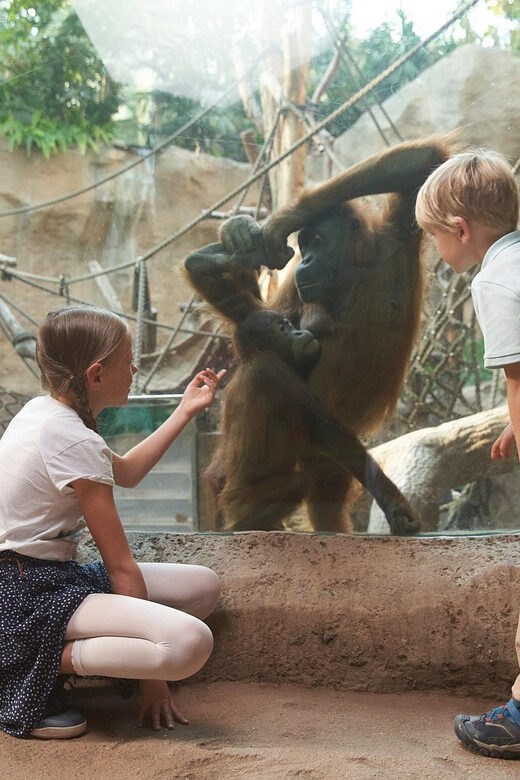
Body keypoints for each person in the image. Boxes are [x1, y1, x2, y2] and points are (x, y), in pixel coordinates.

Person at [0, 305, 226, 740]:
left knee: (202, 587)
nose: (135, 370)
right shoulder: (71, 438)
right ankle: (26, 660)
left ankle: (45, 655)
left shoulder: (46, 411)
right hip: (22, 593)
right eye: (128, 361)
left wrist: (184, 410)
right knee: (188, 644)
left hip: (45, 577)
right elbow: (122, 568)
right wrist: (154, 683)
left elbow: (126, 472)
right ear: (96, 374)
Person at [415, 149, 520, 760]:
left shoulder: (493, 279)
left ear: (459, 229)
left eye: (434, 236)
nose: (435, 251)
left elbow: (517, 377)